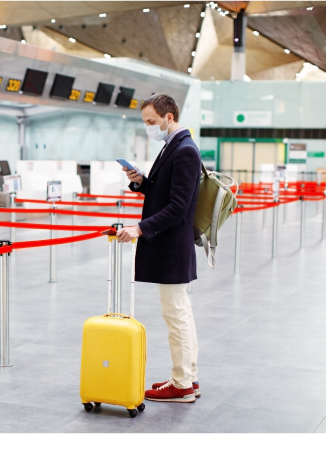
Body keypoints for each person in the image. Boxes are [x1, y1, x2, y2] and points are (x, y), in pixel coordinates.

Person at [116, 93, 202, 403]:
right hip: (171, 245)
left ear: (169, 116)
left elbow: (178, 207)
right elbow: (165, 193)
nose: (149, 127)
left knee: (176, 316)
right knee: (180, 314)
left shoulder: (185, 151)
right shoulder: (174, 147)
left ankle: (181, 384)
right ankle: (188, 378)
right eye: (145, 123)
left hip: (172, 246)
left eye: (152, 121)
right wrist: (141, 181)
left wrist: (139, 229)